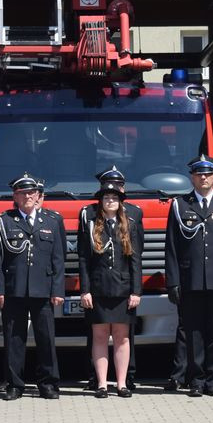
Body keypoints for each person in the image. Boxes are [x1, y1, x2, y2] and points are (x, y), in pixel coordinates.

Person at [164, 154, 213, 397]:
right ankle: (196, 380)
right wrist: (173, 282)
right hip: (191, 280)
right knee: (193, 332)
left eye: (208, 174)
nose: (204, 178)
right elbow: (172, 248)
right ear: (192, 177)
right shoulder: (180, 205)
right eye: (199, 174)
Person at [0, 173, 65, 400]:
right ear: (15, 196)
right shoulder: (4, 221)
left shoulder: (52, 220)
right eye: (23, 193)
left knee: (46, 339)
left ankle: (48, 384)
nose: (28, 196)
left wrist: (58, 290)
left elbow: (58, 258)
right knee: (14, 339)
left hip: (43, 289)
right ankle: (14, 384)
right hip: (14, 290)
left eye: (32, 193)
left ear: (38, 195)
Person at [81, 165, 143, 391]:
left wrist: (136, 291)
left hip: (122, 290)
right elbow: (83, 258)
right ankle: (100, 384)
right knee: (99, 337)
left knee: (122, 338)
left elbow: (136, 259)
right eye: (106, 196)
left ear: (121, 200)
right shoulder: (90, 221)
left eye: (115, 196)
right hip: (98, 290)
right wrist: (85, 289)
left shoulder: (131, 222)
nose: (110, 200)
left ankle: (122, 383)